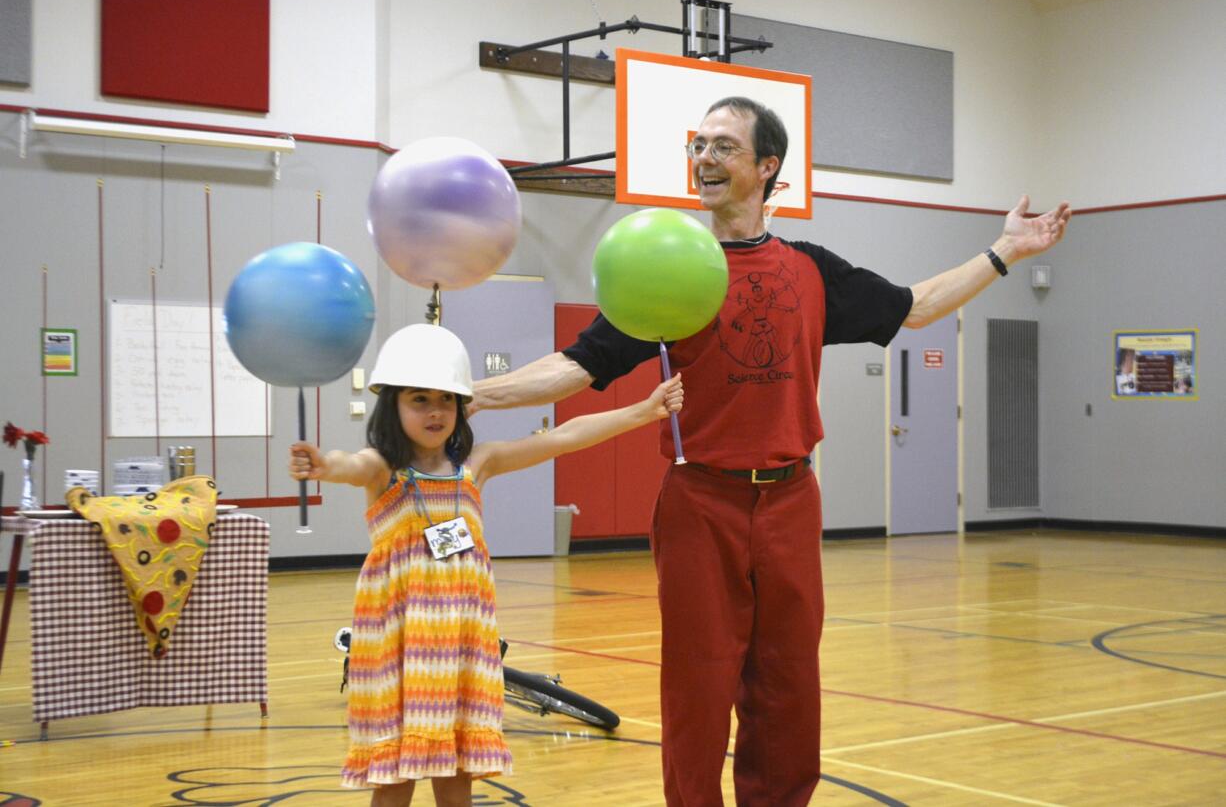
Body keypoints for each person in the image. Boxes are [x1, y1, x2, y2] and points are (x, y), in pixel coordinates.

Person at [469, 96, 1072, 806]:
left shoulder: (812, 271)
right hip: (701, 503)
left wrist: (1007, 252)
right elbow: (577, 365)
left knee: (788, 688)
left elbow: (916, 305)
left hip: (790, 501)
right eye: (698, 145)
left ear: (766, 167)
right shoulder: (670, 274)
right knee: (697, 688)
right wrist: (472, 394)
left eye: (723, 146)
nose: (704, 159)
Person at [288, 323, 683, 807]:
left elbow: (563, 438)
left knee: (459, 775)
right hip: (399, 649)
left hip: (461, 650)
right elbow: (346, 465)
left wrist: (644, 411)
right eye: (419, 400)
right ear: (392, 404)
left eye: (447, 400)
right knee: (393, 782)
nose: (435, 412)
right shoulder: (382, 470)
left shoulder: (478, 464)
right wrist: (322, 465)